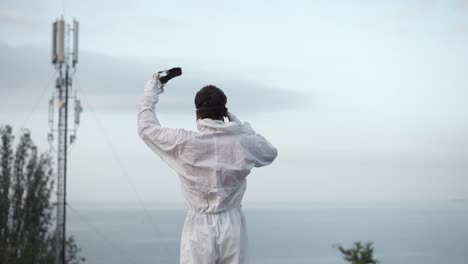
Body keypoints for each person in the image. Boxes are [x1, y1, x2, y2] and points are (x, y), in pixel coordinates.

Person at [137, 73, 278, 264]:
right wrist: (242, 127)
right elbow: (269, 152)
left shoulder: (184, 143)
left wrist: (152, 89)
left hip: (198, 230)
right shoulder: (242, 143)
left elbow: (145, 128)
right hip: (232, 226)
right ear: (224, 114)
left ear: (197, 114)